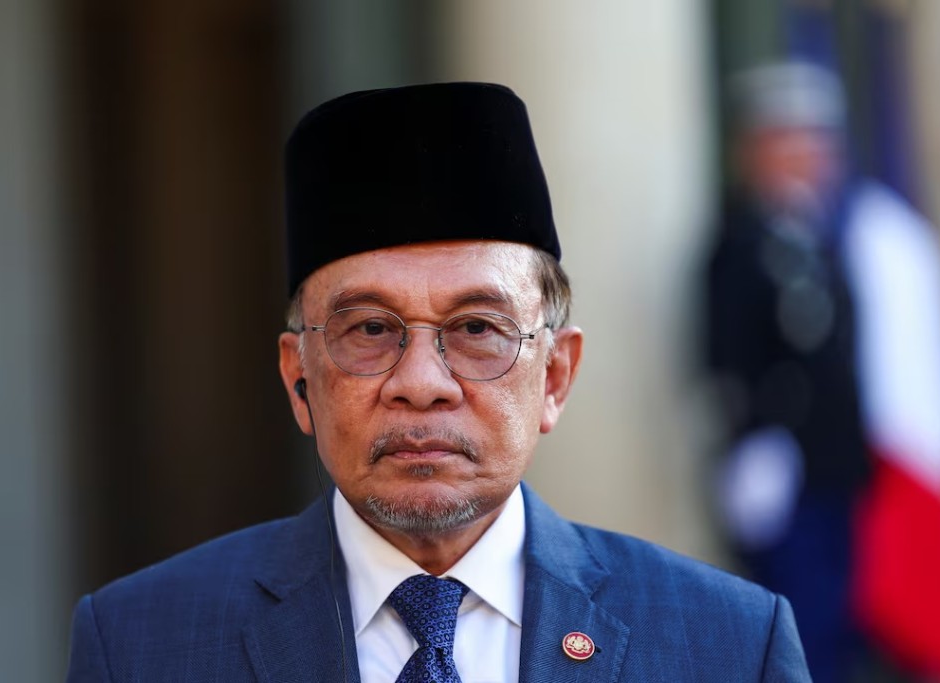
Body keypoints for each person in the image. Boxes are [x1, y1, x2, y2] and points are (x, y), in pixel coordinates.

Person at [66, 82, 811, 682]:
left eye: (478, 330)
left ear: (555, 374)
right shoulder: (141, 644)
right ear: (300, 380)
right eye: (368, 330)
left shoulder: (728, 645)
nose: (422, 383)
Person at [702, 62, 871, 682]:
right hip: (782, 467)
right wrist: (754, 438)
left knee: (833, 620)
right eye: (793, 141)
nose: (812, 157)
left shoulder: (817, 236)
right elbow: (725, 352)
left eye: (819, 142)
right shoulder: (743, 241)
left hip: (831, 465)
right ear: (756, 150)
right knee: (794, 626)